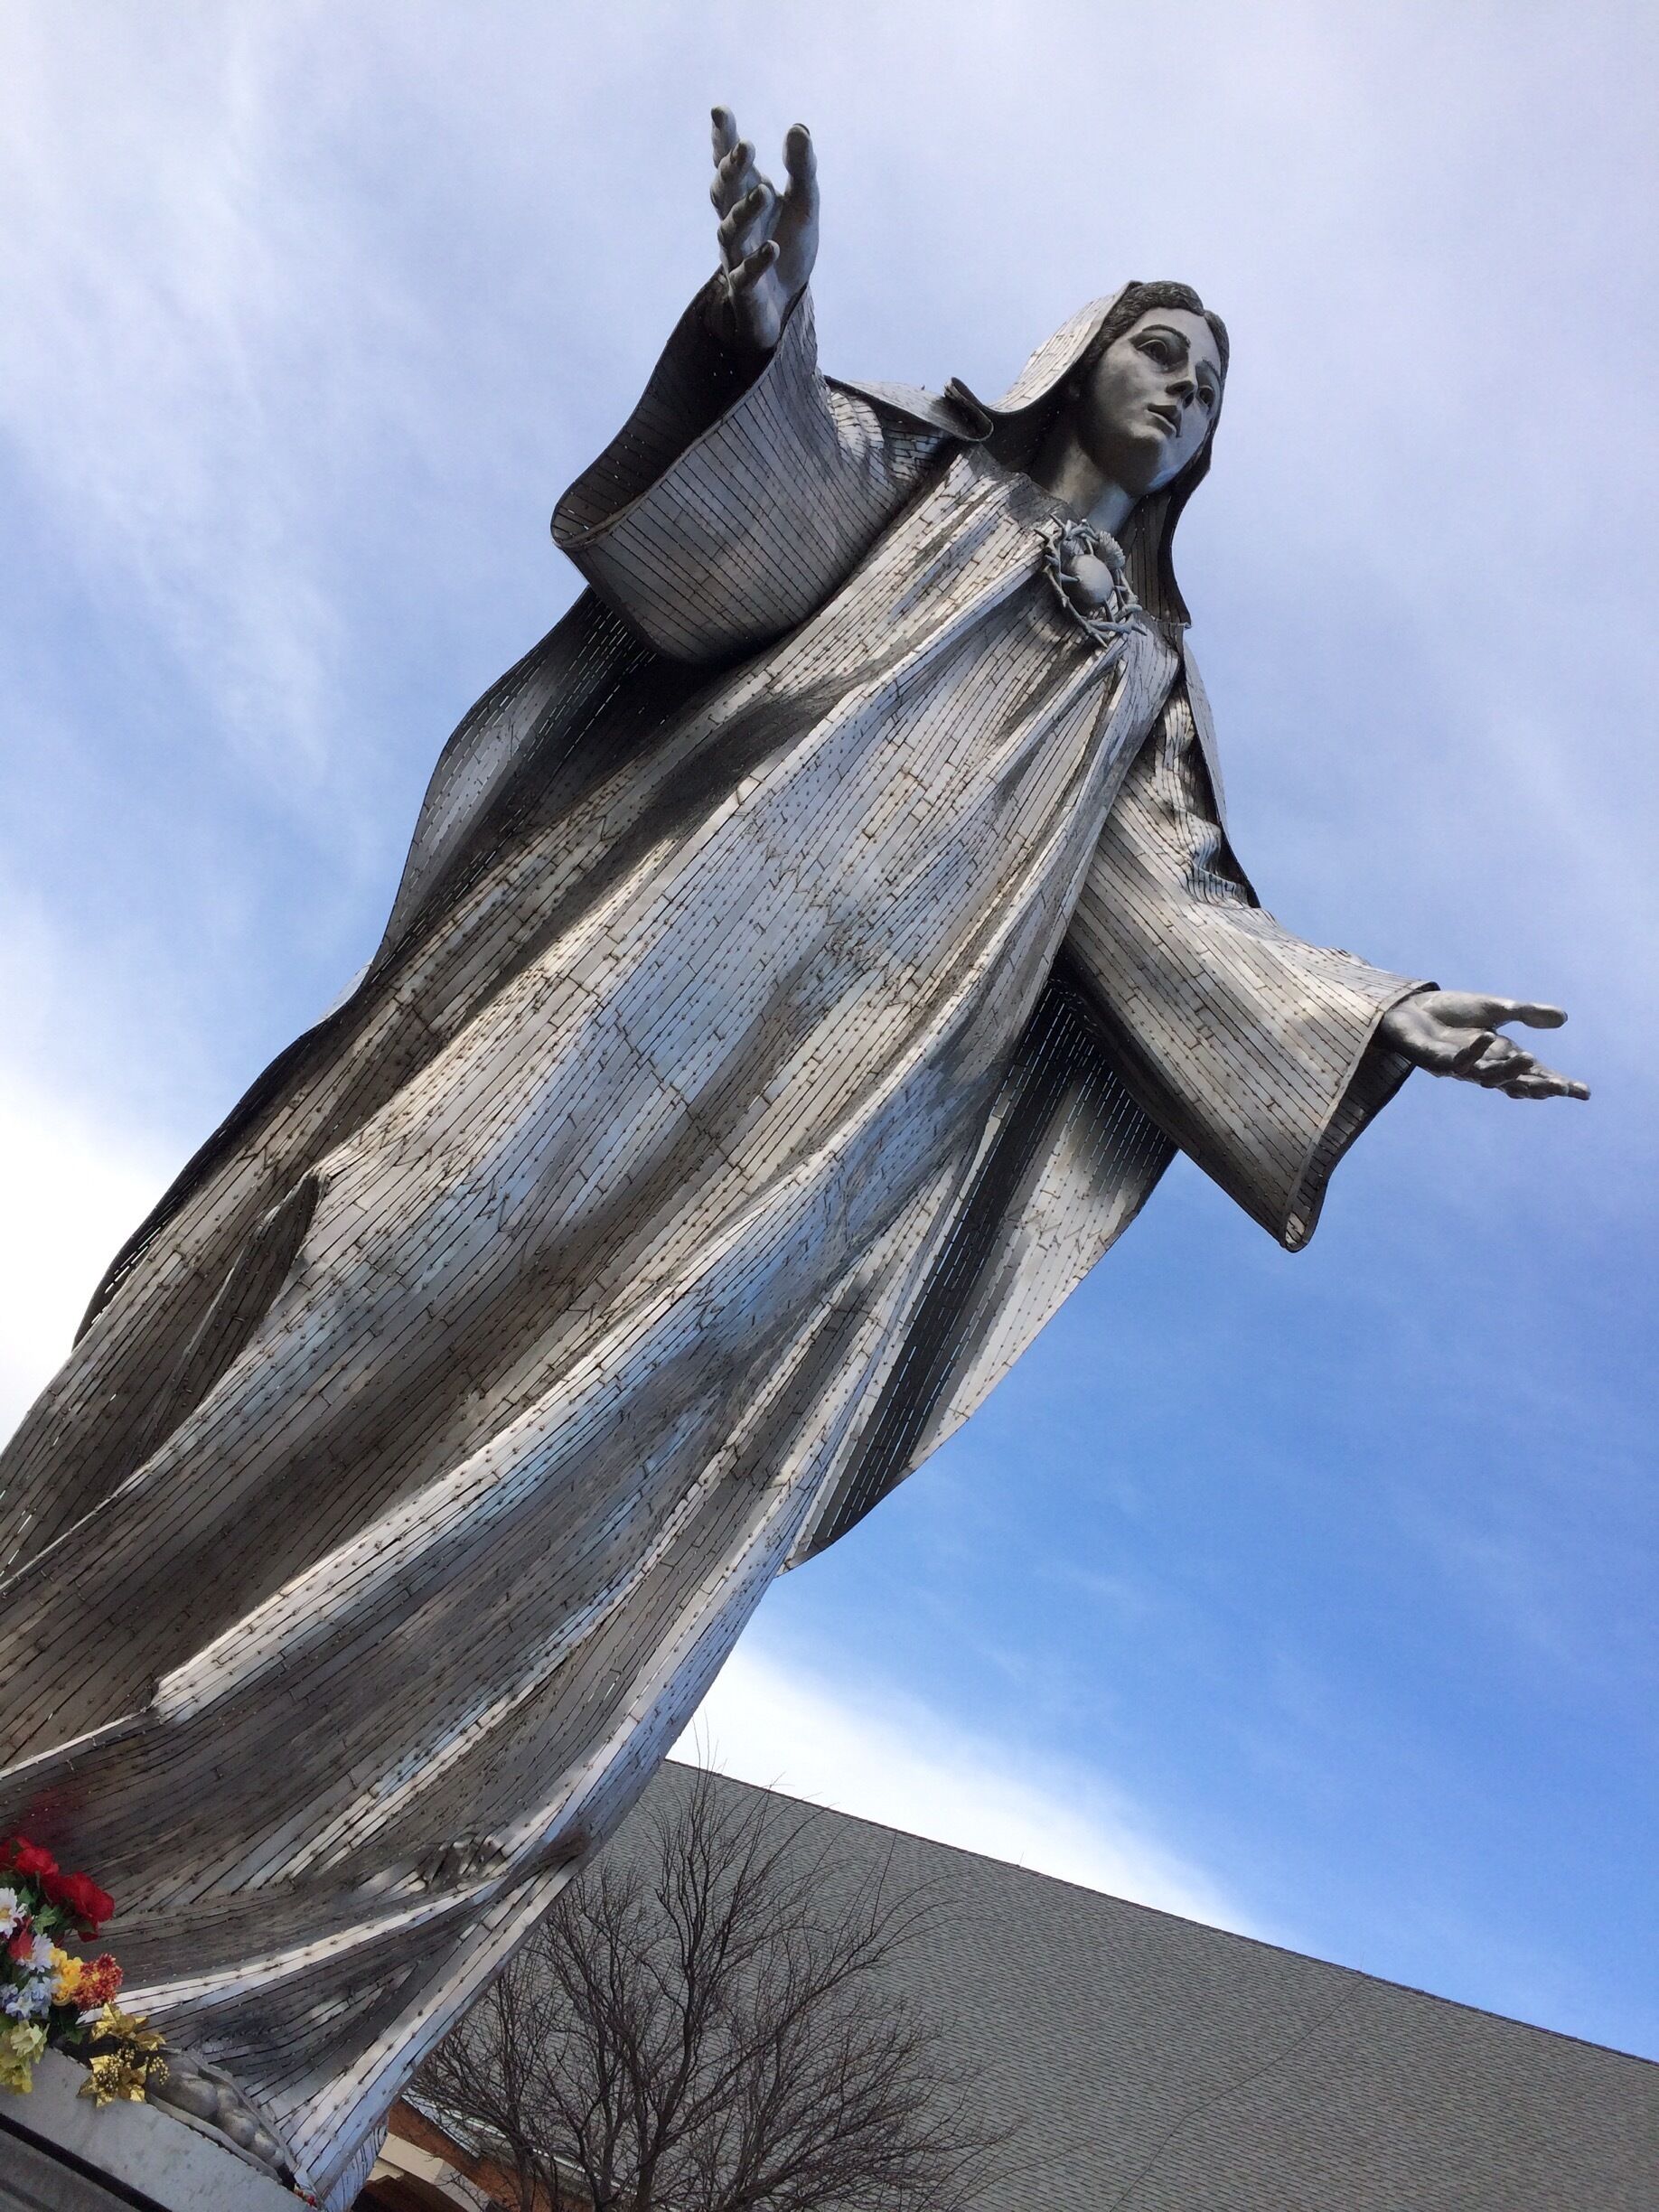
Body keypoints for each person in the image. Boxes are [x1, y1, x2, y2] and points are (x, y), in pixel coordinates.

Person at [0, 109, 1585, 2206]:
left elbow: (1181, 933)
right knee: (354, 1277)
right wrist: (760, 331)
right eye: (1163, 343)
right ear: (1076, 347)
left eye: (1214, 386)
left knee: (594, 1490)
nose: (1186, 388)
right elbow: (743, 530)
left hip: (823, 1134)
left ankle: (210, 1970)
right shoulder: (916, 483)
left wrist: (1379, 1013)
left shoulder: (1138, 684)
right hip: (629, 975)